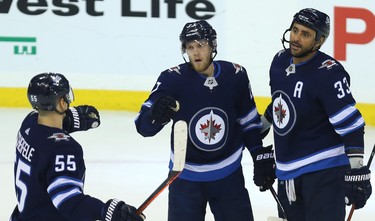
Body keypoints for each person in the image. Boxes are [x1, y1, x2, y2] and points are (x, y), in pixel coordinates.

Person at [134, 20, 276, 221]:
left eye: (201, 45)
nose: (196, 52)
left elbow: (249, 123)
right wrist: (155, 115)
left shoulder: (235, 76)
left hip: (229, 176)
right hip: (184, 178)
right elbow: (143, 127)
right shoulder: (171, 79)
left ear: (212, 46)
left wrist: (257, 155)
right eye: (190, 47)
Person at [261, 8, 372, 221]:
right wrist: (261, 128)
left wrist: (357, 171)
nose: (296, 38)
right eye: (295, 30)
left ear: (319, 41)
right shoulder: (279, 62)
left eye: (305, 34)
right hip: (287, 173)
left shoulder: (328, 73)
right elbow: (281, 100)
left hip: (324, 172)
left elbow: (351, 125)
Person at [11, 72, 145, 221]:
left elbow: (47, 135)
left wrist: (70, 118)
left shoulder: (28, 124)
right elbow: (67, 200)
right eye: (66, 97)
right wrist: (107, 211)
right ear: (62, 103)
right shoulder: (64, 149)